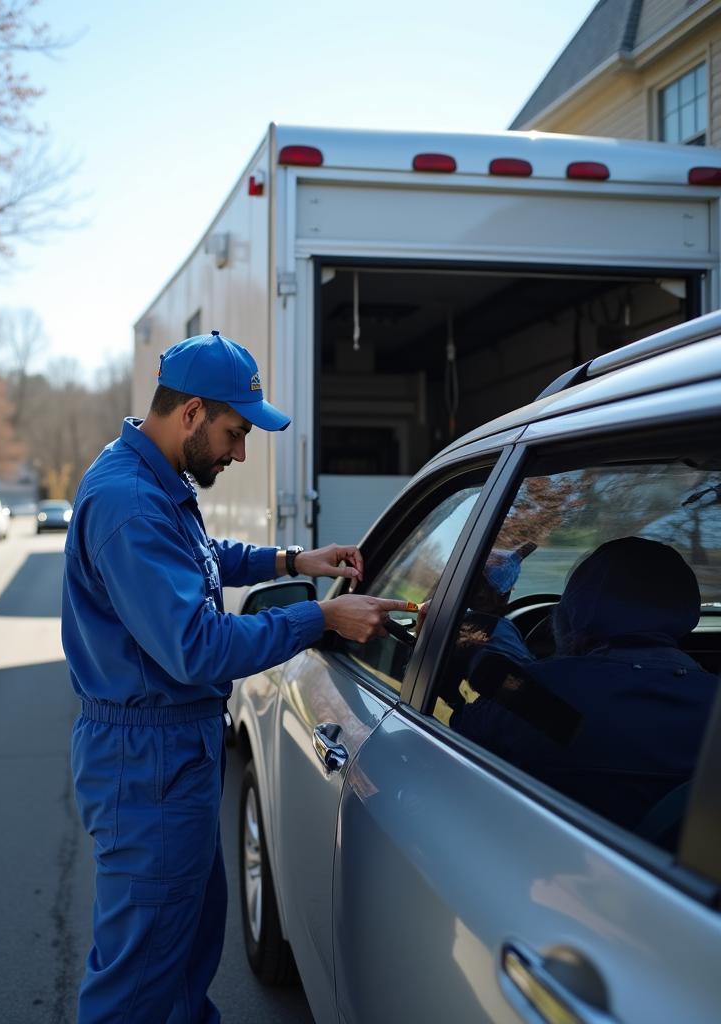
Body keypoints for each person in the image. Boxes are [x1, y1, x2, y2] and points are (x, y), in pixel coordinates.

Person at [62, 330, 411, 1023]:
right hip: (148, 763)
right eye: (235, 431)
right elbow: (196, 646)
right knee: (137, 986)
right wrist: (322, 620)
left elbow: (201, 557)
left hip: (167, 756)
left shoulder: (152, 480)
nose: (240, 451)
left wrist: (292, 562)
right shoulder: (130, 501)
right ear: (191, 413)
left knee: (182, 959)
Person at [450, 536, 717, 838]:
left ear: (575, 609)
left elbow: (457, 732)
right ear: (685, 610)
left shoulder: (536, 695)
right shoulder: (713, 704)